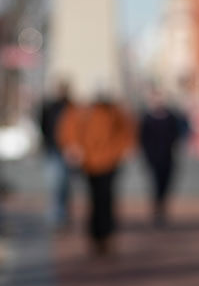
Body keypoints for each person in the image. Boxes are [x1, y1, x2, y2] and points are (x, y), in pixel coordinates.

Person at [57, 92, 135, 256]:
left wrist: (124, 149)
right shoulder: (81, 108)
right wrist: (73, 147)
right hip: (89, 161)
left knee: (107, 198)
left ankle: (107, 235)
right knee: (95, 199)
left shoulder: (113, 109)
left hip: (110, 160)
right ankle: (96, 236)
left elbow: (126, 129)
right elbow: (69, 129)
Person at [138, 85, 187, 227]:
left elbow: (176, 134)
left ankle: (162, 208)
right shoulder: (147, 118)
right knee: (155, 184)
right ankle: (157, 209)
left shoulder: (171, 117)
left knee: (166, 184)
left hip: (168, 157)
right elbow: (143, 139)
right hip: (153, 158)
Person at [39, 80, 74, 228]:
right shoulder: (50, 107)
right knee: (55, 183)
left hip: (68, 150)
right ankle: (57, 214)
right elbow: (43, 125)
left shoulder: (71, 107)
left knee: (65, 184)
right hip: (53, 149)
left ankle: (63, 213)